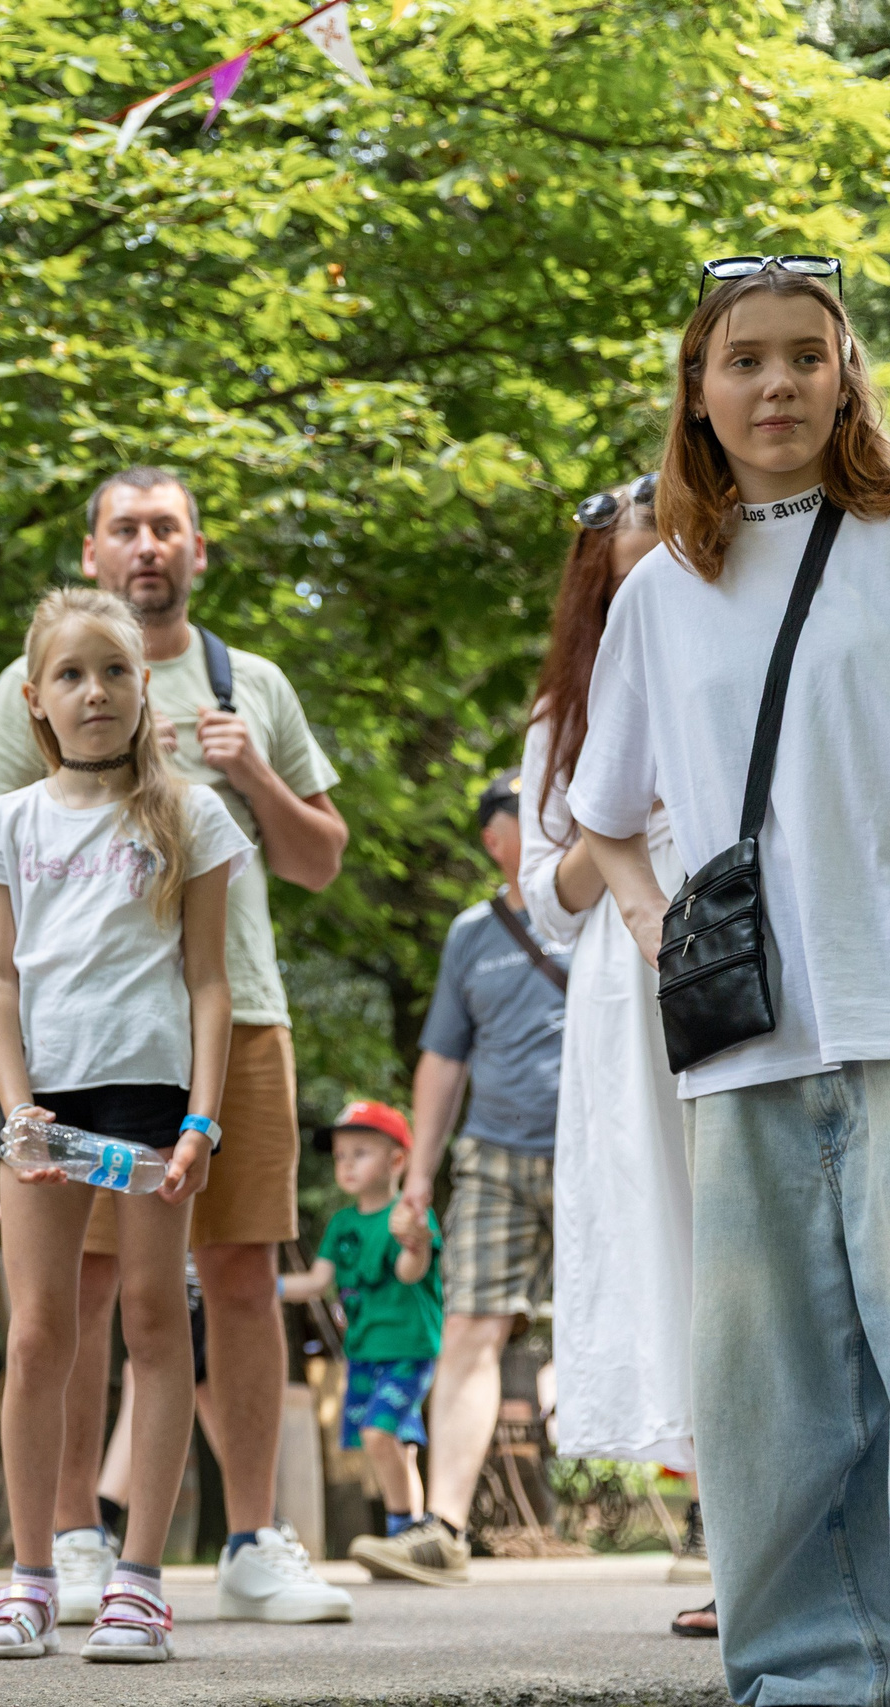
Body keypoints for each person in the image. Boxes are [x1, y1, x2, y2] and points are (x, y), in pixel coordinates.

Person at [0, 467, 352, 1625]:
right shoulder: (28, 739)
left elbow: (311, 866)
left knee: (219, 1286)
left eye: (165, 527)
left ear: (197, 548)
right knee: (54, 1310)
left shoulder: (248, 693)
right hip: (55, 1081)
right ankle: (58, 1549)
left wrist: (243, 766)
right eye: (124, 528)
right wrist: (17, 1102)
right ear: (92, 549)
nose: (146, 545)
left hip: (207, 1045)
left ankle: (231, 1542)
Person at [573, 255, 890, 1705]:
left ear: (847, 376)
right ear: (697, 392)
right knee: (771, 1403)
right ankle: (805, 1677)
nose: (776, 385)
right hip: (747, 1035)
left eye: (803, 357)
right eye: (744, 360)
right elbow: (601, 813)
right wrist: (651, 920)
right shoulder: (659, 590)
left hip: (888, 1016)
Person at [0, 587, 249, 1664]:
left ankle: (138, 1583)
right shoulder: (5, 822)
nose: (94, 693)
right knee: (37, 1336)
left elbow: (208, 984)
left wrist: (203, 1122)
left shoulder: (190, 817)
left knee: (154, 1326)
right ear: (35, 698)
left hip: (151, 1102)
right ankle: (31, 1578)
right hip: (44, 1108)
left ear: (143, 690)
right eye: (71, 675)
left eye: (114, 673)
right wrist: (15, 1106)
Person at [515, 475, 716, 1637]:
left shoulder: (722, 659)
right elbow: (546, 894)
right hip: (622, 991)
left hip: (741, 955)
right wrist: (611, 821)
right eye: (626, 570)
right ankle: (730, 1546)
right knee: (665, 1245)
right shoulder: (564, 715)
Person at [355, 771, 570, 1586]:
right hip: (493, 1157)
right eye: (531, 813)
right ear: (496, 837)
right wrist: (420, 1182)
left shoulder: (603, 908)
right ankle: (441, 1527)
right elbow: (442, 1060)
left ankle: (707, 1523)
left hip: (600, 1152)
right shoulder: (472, 934)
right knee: (470, 1329)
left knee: (656, 1313)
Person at [281, 1103, 441, 1542]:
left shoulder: (407, 1215)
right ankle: (416, 1542)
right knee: (398, 1450)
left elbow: (410, 1271)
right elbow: (317, 1281)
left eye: (360, 1153)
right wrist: (264, 1288)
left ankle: (401, 1528)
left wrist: (415, 1242)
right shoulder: (342, 1223)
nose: (346, 1164)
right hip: (364, 1353)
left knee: (377, 1434)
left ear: (396, 1161)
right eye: (339, 1156)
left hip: (408, 1349)